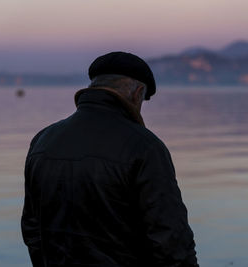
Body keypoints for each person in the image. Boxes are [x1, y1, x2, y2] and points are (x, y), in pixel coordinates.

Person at [21, 51, 199, 267]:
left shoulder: (43, 140)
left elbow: (32, 229)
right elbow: (171, 242)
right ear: (138, 93)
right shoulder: (145, 146)